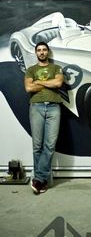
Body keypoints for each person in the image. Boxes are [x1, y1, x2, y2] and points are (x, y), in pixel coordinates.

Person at [24, 41, 64, 194]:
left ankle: (38, 179)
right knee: (37, 146)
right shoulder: (31, 70)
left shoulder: (56, 68)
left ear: (48, 52)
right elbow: (28, 87)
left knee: (50, 145)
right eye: (39, 50)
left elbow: (58, 83)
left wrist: (38, 81)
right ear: (36, 53)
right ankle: (42, 182)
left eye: (44, 50)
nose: (41, 52)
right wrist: (49, 83)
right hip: (36, 107)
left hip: (54, 107)